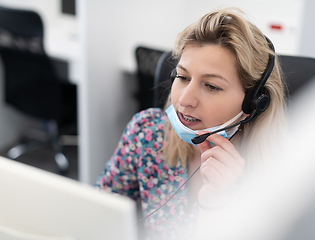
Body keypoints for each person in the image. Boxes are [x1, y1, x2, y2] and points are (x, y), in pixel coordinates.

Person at [94, 7, 287, 240]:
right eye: (182, 77)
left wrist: (215, 205)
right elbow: (96, 212)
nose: (184, 100)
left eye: (212, 86)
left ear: (254, 104)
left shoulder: (280, 178)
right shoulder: (147, 132)